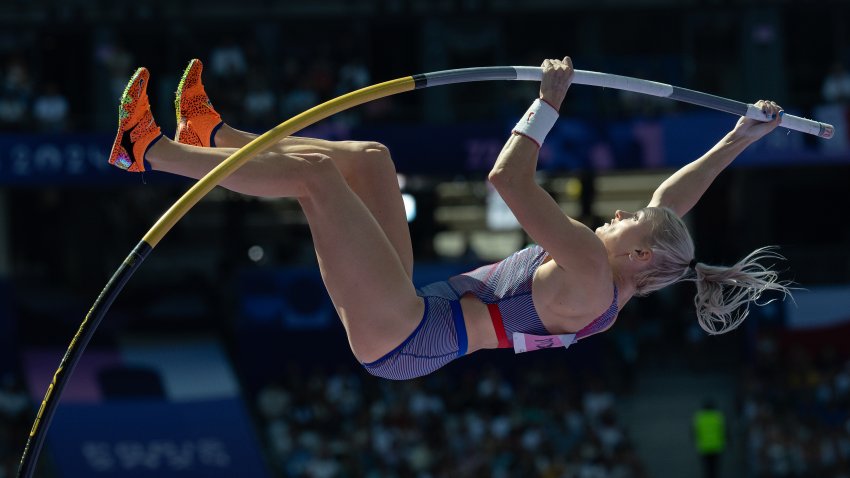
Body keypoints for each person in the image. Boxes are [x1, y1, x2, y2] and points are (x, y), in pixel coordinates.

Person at [107, 57, 790, 381]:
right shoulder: (629, 268)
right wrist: (739, 137)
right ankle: (215, 134)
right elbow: (671, 203)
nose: (617, 215)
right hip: (418, 307)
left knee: (315, 181)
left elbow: (506, 178)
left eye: (628, 224)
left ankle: (150, 151)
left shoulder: (588, 268)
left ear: (640, 258)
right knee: (371, 160)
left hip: (404, 335)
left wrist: (548, 102)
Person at [692, 399, 726, 478]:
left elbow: (694, 432)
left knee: (707, 468)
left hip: (704, 447)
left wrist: (695, 441)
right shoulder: (718, 416)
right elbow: (724, 430)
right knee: (715, 468)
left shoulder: (699, 417)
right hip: (717, 446)